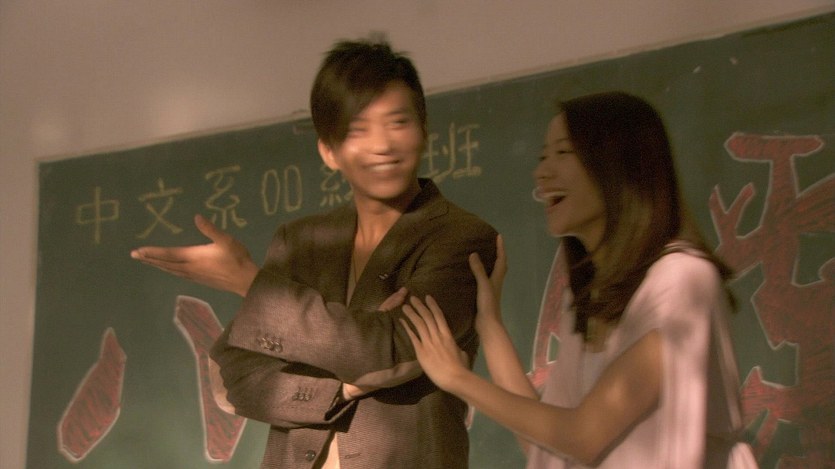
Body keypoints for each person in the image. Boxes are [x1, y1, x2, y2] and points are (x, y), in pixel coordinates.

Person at [132, 38, 497, 469]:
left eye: (398, 122)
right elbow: (233, 377)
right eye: (358, 130)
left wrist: (252, 284)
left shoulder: (461, 238)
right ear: (328, 151)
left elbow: (389, 350)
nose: (382, 144)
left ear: (424, 129)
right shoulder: (302, 241)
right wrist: (341, 390)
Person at [400, 92, 758, 468]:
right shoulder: (591, 295)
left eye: (563, 152)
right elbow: (548, 445)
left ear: (619, 166)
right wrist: (489, 324)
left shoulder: (683, 279)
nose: (542, 173)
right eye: (543, 156)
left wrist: (457, 378)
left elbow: (582, 436)